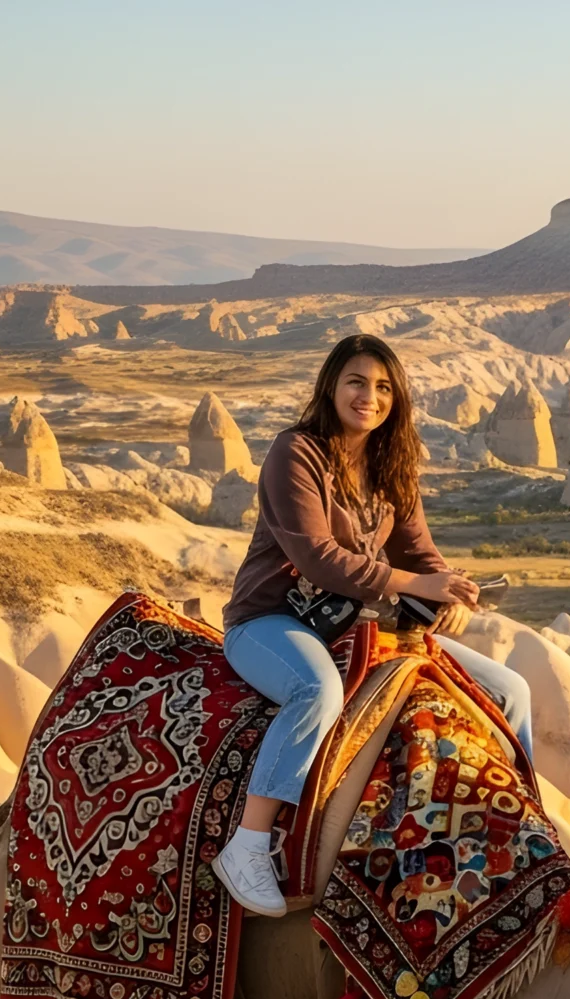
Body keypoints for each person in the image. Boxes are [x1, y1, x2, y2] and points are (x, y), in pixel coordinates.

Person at [211, 333, 534, 917]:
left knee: (511, 690)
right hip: (273, 619)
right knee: (317, 691)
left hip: (359, 624)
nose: (370, 397)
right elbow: (317, 557)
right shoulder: (296, 453)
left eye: (384, 387)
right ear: (331, 386)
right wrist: (415, 585)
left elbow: (419, 552)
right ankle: (249, 842)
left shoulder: (391, 465)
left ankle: (526, 824)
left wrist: (451, 587)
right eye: (357, 382)